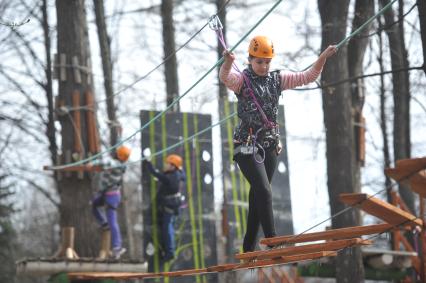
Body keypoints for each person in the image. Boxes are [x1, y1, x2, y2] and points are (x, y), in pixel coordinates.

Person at [219, 35, 337, 252]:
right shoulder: (241, 80)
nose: (264, 67)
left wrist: (323, 58)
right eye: (259, 62)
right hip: (246, 145)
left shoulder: (278, 79)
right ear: (250, 60)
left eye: (267, 62)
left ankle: (248, 246)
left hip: (269, 145)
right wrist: (227, 61)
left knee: (258, 195)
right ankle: (272, 239)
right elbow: (225, 76)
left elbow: (307, 76)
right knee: (263, 190)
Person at [143, 154, 186, 261]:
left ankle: (170, 252)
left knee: (167, 228)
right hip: (171, 206)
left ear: (173, 166)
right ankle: (168, 250)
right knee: (166, 227)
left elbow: (156, 174)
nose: (165, 165)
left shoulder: (171, 177)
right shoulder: (178, 174)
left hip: (169, 207)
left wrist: (148, 162)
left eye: (167, 163)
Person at [91, 145, 131, 259]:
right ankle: (104, 224)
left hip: (111, 196)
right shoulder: (121, 164)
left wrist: (92, 163)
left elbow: (105, 162)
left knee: (113, 221)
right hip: (107, 194)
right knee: (95, 205)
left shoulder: (116, 164)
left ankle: (117, 247)